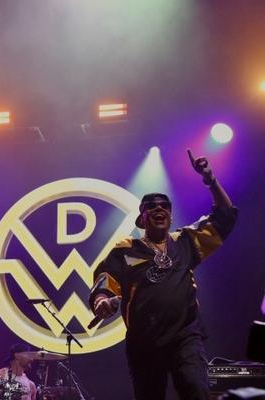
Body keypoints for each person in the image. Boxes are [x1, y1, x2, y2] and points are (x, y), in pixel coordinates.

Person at [88, 149, 237, 400]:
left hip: (185, 335)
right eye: (152, 207)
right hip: (143, 341)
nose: (159, 209)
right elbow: (105, 278)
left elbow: (224, 217)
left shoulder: (185, 241)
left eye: (165, 206)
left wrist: (210, 179)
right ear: (142, 218)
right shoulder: (126, 249)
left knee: (196, 391)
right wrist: (101, 300)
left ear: (170, 214)